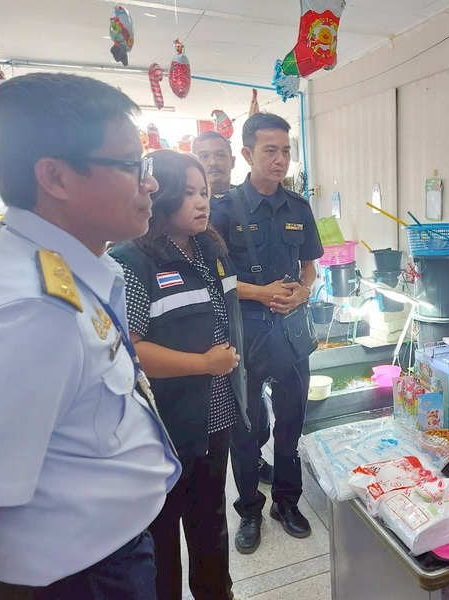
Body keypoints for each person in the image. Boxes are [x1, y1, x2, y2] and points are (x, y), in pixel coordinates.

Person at [0, 73, 180, 598]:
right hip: (79, 580)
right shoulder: (31, 314)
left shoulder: (70, 272)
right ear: (55, 177)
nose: (151, 185)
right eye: (132, 166)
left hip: (108, 557)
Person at [109, 150, 248, 600]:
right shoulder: (134, 260)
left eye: (203, 192)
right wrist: (204, 364)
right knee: (162, 532)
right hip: (165, 424)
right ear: (161, 195)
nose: (201, 202)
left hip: (216, 413)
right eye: (187, 193)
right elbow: (128, 348)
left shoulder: (211, 249)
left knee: (210, 521)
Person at [210, 112, 323, 554]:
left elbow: (310, 266)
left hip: (290, 332)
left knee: (291, 423)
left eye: (286, 151)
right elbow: (214, 278)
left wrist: (303, 292)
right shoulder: (223, 209)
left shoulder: (298, 207)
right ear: (247, 153)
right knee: (246, 428)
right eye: (270, 150)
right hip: (245, 332)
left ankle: (287, 503)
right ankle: (249, 511)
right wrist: (261, 292)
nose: (280, 160)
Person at [192, 130, 274, 485]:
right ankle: (246, 494)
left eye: (219, 154)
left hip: (251, 325)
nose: (213, 162)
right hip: (209, 334)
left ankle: (255, 459)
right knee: (228, 416)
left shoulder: (248, 202)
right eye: (204, 156)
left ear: (233, 158)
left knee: (255, 412)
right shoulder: (186, 217)